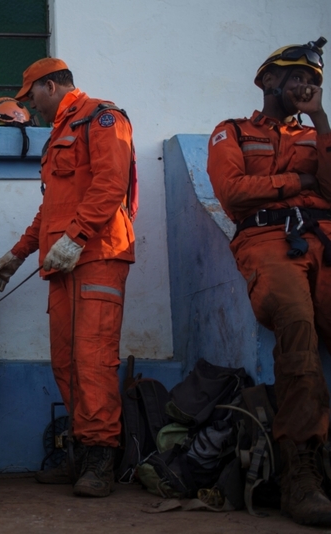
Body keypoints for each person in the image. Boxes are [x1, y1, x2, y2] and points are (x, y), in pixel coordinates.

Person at [0, 58, 136, 498]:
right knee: (66, 361)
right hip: (63, 264)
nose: (31, 106)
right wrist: (15, 255)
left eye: (32, 96)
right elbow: (51, 210)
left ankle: (101, 459)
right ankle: (83, 452)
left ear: (51, 86)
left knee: (92, 360)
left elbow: (112, 183)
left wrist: (77, 237)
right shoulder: (61, 133)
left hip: (97, 258)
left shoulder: (102, 118)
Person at [207, 38, 331, 526]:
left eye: (313, 79)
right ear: (267, 81)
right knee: (297, 326)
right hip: (268, 240)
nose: (304, 84)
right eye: (295, 76)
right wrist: (300, 183)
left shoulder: (315, 135)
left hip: (325, 237)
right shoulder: (231, 132)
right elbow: (233, 192)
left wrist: (321, 122)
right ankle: (300, 475)